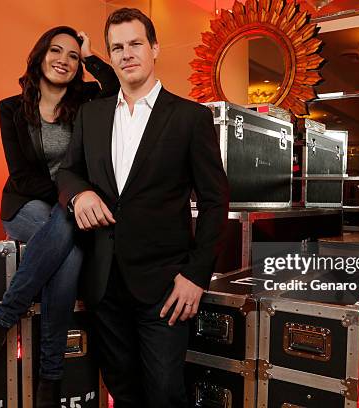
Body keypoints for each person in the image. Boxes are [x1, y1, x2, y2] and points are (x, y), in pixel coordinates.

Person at [56, 8, 229, 407]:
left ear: (154, 48)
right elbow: (68, 173)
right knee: (122, 391)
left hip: (166, 286)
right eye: (116, 47)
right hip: (103, 282)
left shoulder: (191, 117)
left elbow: (215, 200)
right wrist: (80, 195)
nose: (126, 54)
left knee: (166, 393)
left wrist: (196, 275)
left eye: (135, 44)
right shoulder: (91, 114)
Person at [0, 26, 119, 407]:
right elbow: (21, 175)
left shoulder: (86, 99)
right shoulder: (10, 108)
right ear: (40, 55)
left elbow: (113, 84)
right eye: (56, 51)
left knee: (72, 254)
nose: (63, 60)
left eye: (73, 56)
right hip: (26, 204)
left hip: (68, 206)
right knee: (67, 231)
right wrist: (71, 199)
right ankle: (49, 378)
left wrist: (92, 54)